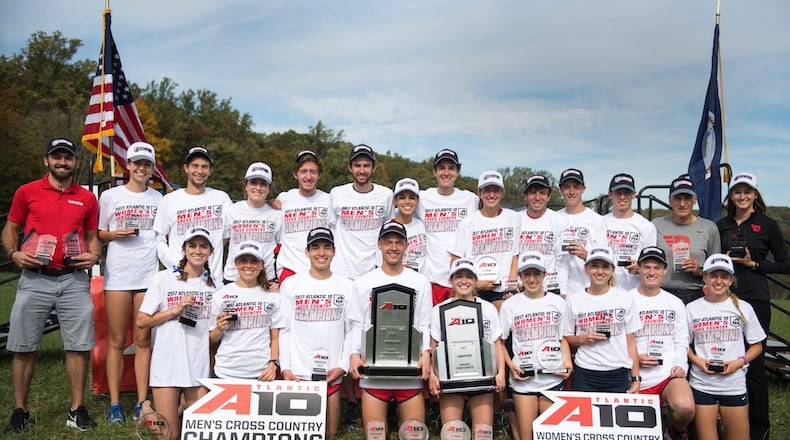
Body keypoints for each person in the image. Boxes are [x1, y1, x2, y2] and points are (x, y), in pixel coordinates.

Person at [2, 138, 101, 432]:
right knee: (24, 346)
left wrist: (94, 255)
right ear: (46, 161)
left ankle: (76, 409)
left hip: (73, 280)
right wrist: (14, 253)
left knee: (78, 346)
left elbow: (93, 235)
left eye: (67, 157)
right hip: (35, 279)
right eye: (56, 157)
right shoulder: (27, 192)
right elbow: (10, 230)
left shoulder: (86, 198)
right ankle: (20, 411)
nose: (62, 162)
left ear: (75, 163)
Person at [716, 172, 790, 440]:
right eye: (737, 192)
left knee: (754, 364)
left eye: (747, 192)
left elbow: (785, 263)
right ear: (731, 196)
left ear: (755, 195)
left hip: (755, 299)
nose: (742, 196)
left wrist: (756, 265)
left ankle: (759, 427)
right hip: (723, 299)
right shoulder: (721, 224)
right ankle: (726, 423)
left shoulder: (767, 225)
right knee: (724, 357)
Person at [347, 220, 432, 434]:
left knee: (414, 435)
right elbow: (356, 323)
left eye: (398, 242)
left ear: (406, 246)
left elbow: (424, 323)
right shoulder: (363, 282)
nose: (393, 247)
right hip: (375, 373)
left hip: (409, 372)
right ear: (379, 245)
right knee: (376, 435)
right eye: (388, 242)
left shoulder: (420, 282)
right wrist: (354, 354)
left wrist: (426, 353)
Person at [97, 142, 163, 423]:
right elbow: (99, 233)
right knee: (115, 340)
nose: (141, 168)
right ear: (128, 165)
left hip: (148, 276)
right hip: (119, 276)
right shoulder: (110, 196)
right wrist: (114, 235)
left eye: (146, 164)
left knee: (143, 340)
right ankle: (114, 403)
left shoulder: (160, 199)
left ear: (152, 169)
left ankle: (141, 400)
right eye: (137, 163)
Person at [136, 227, 217, 440]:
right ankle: (147, 412)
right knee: (167, 435)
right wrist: (174, 311)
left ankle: (179, 408)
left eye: (203, 246)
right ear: (184, 249)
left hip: (197, 366)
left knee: (199, 434)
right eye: (192, 246)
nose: (197, 251)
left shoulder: (213, 286)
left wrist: (222, 327)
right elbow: (141, 321)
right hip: (167, 364)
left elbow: (210, 335)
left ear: (211, 251)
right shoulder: (163, 279)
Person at [279, 227, 353, 438]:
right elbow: (284, 330)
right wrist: (286, 368)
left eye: (326, 247)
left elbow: (351, 330)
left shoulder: (346, 286)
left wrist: (342, 366)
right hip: (298, 375)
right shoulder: (291, 284)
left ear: (334, 251)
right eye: (316, 248)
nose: (321, 253)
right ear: (307, 252)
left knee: (329, 435)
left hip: (331, 376)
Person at [686, 254, 766, 440]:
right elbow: (684, 345)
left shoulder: (743, 307)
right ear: (705, 277)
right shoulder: (692, 308)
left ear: (731, 280)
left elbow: (757, 346)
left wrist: (740, 362)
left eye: (724, 276)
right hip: (702, 385)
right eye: (713, 276)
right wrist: (698, 361)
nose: (718, 281)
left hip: (734, 385)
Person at [429, 258, 505, 439]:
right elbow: (434, 347)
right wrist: (433, 374)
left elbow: (496, 343)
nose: (464, 281)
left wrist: (500, 372)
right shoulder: (439, 310)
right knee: (452, 433)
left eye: (469, 276)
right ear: (451, 281)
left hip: (482, 377)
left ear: (476, 280)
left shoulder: (488, 309)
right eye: (459, 276)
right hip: (450, 378)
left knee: (483, 434)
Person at [499, 252, 572, 440]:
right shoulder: (510, 305)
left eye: (536, 274)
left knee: (549, 436)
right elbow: (500, 342)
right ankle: (512, 416)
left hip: (552, 378)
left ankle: (511, 415)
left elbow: (562, 337)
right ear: (520, 277)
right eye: (526, 274)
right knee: (527, 437)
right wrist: (510, 367)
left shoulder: (558, 303)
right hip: (524, 380)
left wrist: (567, 361)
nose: (532, 279)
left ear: (544, 275)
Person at [631, 247, 695, 439]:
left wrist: (679, 365)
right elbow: (618, 342)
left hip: (666, 375)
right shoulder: (626, 299)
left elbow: (681, 339)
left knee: (685, 407)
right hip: (635, 377)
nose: (652, 272)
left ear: (664, 270)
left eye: (657, 267)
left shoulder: (675, 302)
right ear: (639, 268)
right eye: (647, 267)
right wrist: (635, 358)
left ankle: (675, 432)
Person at [564, 247, 642, 393]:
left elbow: (630, 341)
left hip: (617, 372)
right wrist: (583, 339)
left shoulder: (624, 298)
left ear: (612, 269)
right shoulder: (574, 300)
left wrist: (636, 378)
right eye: (594, 266)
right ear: (586, 268)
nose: (600, 271)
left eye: (605, 266)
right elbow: (566, 337)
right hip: (585, 371)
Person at [153, 146, 231, 279]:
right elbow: (159, 240)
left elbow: (226, 236)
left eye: (204, 166)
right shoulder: (170, 200)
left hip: (213, 282)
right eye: (195, 166)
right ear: (186, 168)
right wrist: (177, 265)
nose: (199, 171)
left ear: (210, 170)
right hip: (179, 280)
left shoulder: (222, 199)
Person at [210, 240, 284, 379]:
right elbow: (211, 339)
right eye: (243, 260)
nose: (248, 266)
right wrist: (219, 329)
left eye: (254, 261)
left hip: (262, 373)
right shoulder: (221, 294)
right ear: (236, 264)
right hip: (226, 372)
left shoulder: (272, 297)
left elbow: (275, 337)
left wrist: (273, 364)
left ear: (262, 265)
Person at [450, 170, 519, 311]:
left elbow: (514, 256)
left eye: (496, 190)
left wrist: (511, 288)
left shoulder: (513, 218)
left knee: (503, 332)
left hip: (502, 292)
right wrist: (475, 284)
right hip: (474, 291)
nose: (492, 195)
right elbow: (455, 261)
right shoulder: (468, 222)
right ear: (479, 193)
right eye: (487, 190)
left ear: (502, 193)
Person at [417, 149, 478, 305]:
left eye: (451, 168)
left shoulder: (471, 199)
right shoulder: (422, 198)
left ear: (458, 171)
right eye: (441, 168)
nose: (446, 172)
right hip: (432, 281)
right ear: (434, 172)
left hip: (461, 281)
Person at [653, 175, 720, 305]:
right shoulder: (655, 225)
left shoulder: (709, 228)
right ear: (670, 200)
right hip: (661, 293)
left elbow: (716, 269)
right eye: (677, 198)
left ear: (695, 199)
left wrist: (699, 271)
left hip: (695, 295)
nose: (682, 203)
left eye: (687, 198)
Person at [329, 144, 393, 279]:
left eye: (366, 165)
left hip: (375, 270)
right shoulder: (337, 193)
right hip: (343, 271)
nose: (362, 170)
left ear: (374, 168)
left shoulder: (386, 195)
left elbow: (388, 231)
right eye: (357, 165)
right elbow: (331, 229)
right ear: (350, 167)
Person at [275, 150, 331, 283]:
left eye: (313, 171)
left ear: (319, 174)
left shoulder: (329, 200)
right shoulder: (283, 199)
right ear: (295, 174)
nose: (308, 176)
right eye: (303, 171)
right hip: (290, 270)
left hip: (320, 270)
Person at [222, 162, 281, 285]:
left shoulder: (277, 214)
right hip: (234, 277)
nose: (258, 188)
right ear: (246, 185)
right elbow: (220, 243)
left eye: (263, 184)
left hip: (265, 280)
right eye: (254, 182)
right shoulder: (232, 210)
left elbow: (283, 246)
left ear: (269, 188)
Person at [555, 168, 608, 297]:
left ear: (583, 189)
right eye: (567, 187)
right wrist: (559, 290)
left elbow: (604, 259)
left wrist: (586, 255)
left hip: (586, 291)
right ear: (561, 189)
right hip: (557, 293)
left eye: (576, 187)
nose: (572, 192)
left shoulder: (597, 220)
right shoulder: (554, 218)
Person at [517, 174, 571, 296]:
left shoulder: (560, 221)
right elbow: (512, 257)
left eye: (542, 193)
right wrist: (516, 283)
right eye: (532, 192)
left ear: (548, 196)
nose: (537, 197)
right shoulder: (515, 220)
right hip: (521, 288)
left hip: (548, 290)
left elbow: (562, 261)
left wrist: (561, 291)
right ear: (526, 196)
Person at [604, 173, 658, 291]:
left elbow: (651, 264)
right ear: (610, 195)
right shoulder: (600, 223)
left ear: (634, 195)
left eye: (627, 192)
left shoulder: (647, 226)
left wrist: (639, 268)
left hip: (635, 292)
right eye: (618, 192)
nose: (622, 197)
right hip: (606, 292)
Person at [392, 178, 427, 273]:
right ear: (395, 201)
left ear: (417, 201)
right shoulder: (388, 227)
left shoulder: (422, 225)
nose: (407, 202)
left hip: (421, 283)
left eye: (412, 197)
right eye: (402, 197)